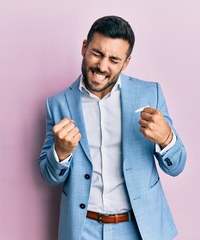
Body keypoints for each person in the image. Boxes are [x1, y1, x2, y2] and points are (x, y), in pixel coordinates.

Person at [38, 15, 187, 240]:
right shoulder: (58, 104)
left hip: (140, 229)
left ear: (126, 63)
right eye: (97, 53)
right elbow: (50, 176)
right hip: (82, 230)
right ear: (84, 47)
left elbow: (176, 167)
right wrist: (61, 152)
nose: (102, 66)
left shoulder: (150, 94)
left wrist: (167, 139)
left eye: (114, 59)